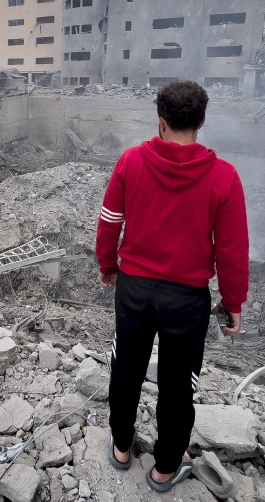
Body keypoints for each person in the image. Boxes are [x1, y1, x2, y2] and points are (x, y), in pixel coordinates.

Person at [95, 79, 249, 493]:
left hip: (134, 288)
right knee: (178, 383)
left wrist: (108, 265)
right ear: (202, 121)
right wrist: (233, 301)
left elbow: (110, 220)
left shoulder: (130, 161)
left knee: (126, 368)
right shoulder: (224, 177)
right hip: (186, 299)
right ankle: (164, 469)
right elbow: (232, 249)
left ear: (160, 120)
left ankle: (122, 447)